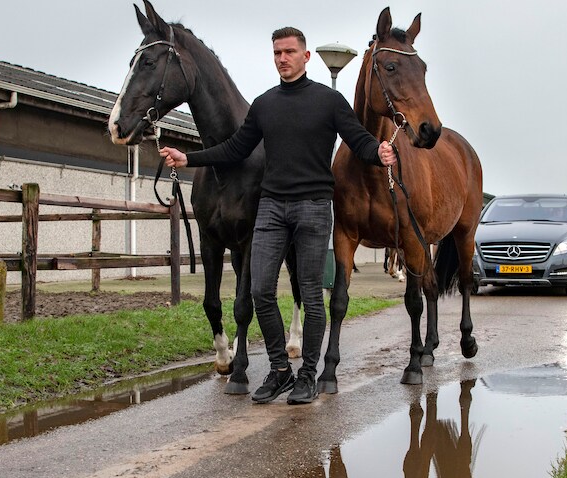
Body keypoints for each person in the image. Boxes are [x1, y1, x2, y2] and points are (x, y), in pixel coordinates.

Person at [159, 26, 396, 405]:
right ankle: (280, 370)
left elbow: (359, 140)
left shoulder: (329, 101)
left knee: (311, 295)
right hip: (271, 207)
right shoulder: (265, 104)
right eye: (277, 53)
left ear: (305, 56)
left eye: (289, 52)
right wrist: (189, 158)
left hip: (313, 208)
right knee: (260, 291)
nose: (282, 58)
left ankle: (308, 375)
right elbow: (235, 148)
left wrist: (379, 153)